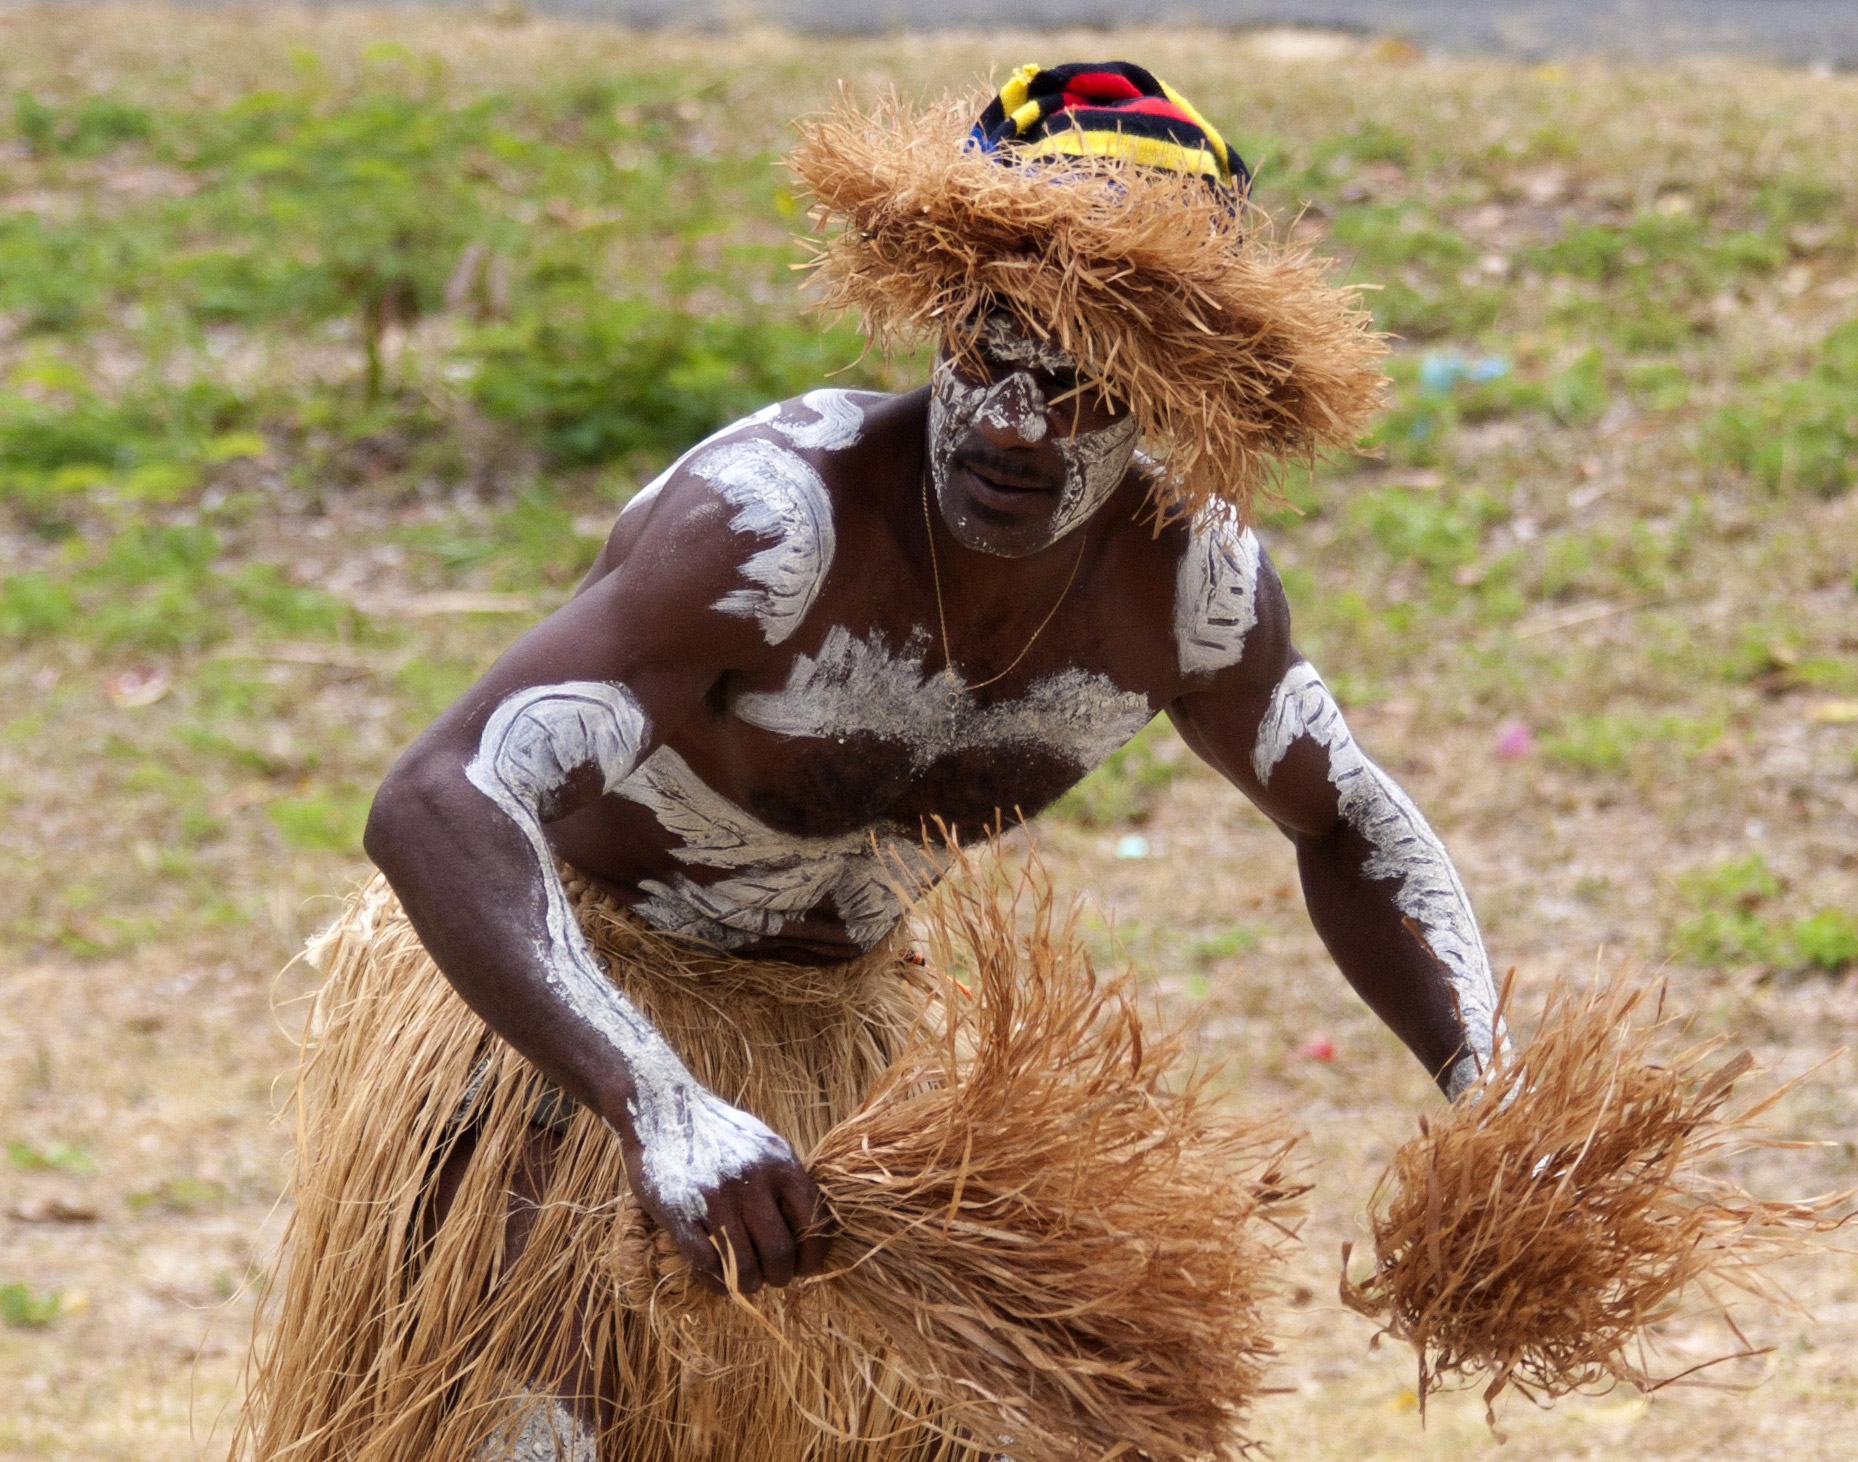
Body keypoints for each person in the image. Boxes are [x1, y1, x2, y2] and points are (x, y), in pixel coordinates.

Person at [239, 62, 1500, 1462]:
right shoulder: (774, 530)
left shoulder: (1185, 590)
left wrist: (1489, 1088)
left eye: (1078, 378)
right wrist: (655, 1105)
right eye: (988, 347)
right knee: (538, 1441)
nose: (1016, 419)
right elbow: (436, 793)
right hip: (559, 1030)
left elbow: (1341, 820)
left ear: (1173, 391)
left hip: (837, 1060)